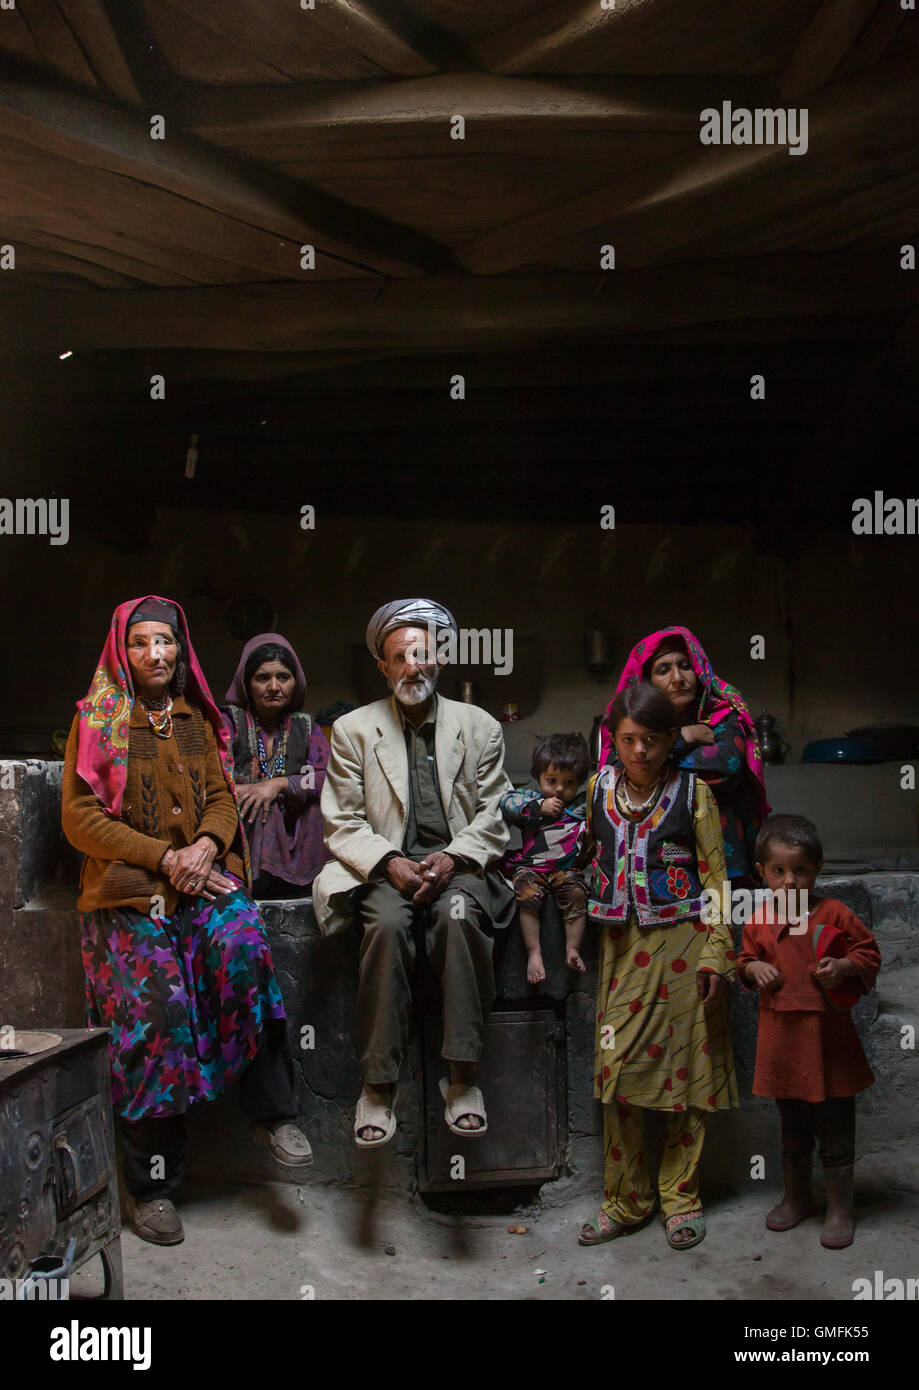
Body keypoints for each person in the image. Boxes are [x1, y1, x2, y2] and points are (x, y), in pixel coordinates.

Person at [61, 596, 312, 1247]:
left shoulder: (196, 719)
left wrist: (203, 846)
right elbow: (80, 819)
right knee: (158, 1011)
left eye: (166, 643)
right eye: (141, 643)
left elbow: (225, 798)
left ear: (181, 650)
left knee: (244, 948)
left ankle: (273, 1115)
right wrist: (163, 857)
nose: (156, 654)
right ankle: (151, 1187)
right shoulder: (98, 722)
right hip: (129, 892)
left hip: (198, 881)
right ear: (122, 651)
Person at [312, 598, 515, 1147]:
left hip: (460, 868)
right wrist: (389, 862)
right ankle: (378, 1086)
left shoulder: (480, 727)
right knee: (385, 926)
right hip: (386, 872)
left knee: (456, 918)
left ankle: (464, 1078)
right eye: (399, 657)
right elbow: (343, 820)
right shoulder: (354, 730)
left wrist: (452, 857)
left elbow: (496, 813)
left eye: (422, 654)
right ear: (383, 666)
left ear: (440, 658)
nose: (412, 667)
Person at [579, 682, 737, 1251]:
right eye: (628, 739)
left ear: (671, 739)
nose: (639, 751)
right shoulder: (596, 790)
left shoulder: (695, 795)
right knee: (618, 1074)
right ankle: (626, 1199)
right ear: (611, 739)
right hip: (622, 950)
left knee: (687, 1080)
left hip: (688, 948)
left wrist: (720, 953)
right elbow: (571, 852)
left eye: (651, 739)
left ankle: (681, 1198)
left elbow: (718, 879)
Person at [736, 813, 881, 1249]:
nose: (789, 881)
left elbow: (868, 953)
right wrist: (755, 967)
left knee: (836, 1131)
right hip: (783, 1043)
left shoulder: (834, 912)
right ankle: (797, 1198)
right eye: (778, 871)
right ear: (761, 872)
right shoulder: (758, 920)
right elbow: (742, 962)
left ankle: (840, 1208)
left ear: (817, 869)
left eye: (800, 870)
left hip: (829, 1043)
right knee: (794, 1131)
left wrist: (845, 966)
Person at [600, 625, 769, 883]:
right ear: (647, 682)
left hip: (726, 850)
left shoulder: (725, 713)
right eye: (663, 670)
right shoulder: (632, 721)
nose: (678, 678)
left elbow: (725, 768)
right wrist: (684, 736)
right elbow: (619, 768)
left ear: (699, 670)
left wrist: (655, 764)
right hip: (658, 856)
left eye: (685, 666)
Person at [223, 632, 331, 897]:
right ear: (247, 684)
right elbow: (210, 776)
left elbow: (328, 775)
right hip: (243, 827)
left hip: (296, 830)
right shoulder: (230, 722)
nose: (274, 686)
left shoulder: (304, 726)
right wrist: (247, 792)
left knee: (320, 807)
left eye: (283, 677)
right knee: (262, 807)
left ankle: (308, 885)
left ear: (295, 682)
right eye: (263, 678)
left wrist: (281, 784)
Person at [499, 732, 590, 983]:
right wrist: (538, 807)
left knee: (578, 892)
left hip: (566, 869)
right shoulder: (531, 798)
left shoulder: (582, 805)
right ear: (538, 775)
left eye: (569, 782)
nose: (559, 789)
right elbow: (507, 802)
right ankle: (534, 952)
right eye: (551, 780)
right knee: (525, 892)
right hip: (533, 869)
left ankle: (573, 950)